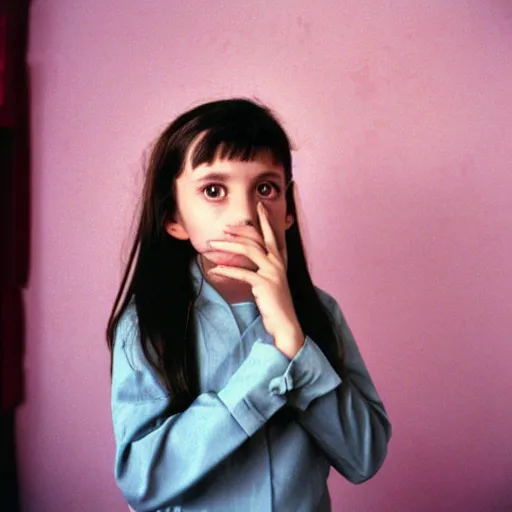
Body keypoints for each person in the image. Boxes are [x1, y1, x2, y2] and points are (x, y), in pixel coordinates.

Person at [106, 98, 391, 512]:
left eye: (265, 189)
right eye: (214, 190)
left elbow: (364, 457)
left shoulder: (321, 312)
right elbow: (143, 482)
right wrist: (269, 368)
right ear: (174, 216)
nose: (245, 213)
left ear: (288, 209)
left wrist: (293, 340)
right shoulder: (148, 323)